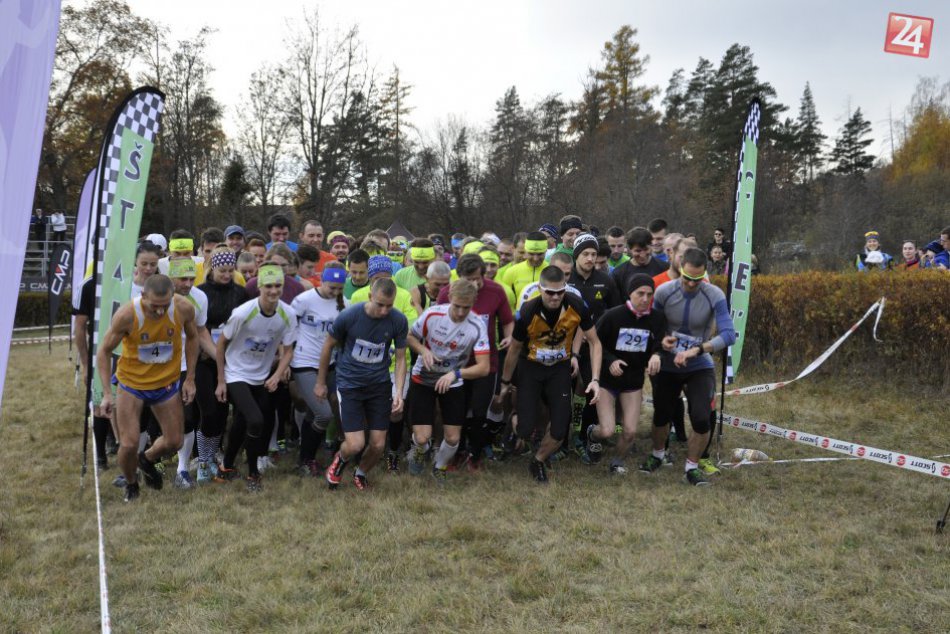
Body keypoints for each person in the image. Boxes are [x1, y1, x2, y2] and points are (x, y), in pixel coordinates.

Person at [96, 275, 199, 502]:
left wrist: (190, 378)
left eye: (165, 306)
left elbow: (193, 338)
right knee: (129, 443)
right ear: (143, 296)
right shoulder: (127, 315)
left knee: (175, 441)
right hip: (132, 385)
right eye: (155, 306)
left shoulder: (182, 308)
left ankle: (147, 459)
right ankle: (132, 484)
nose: (161, 312)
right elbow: (103, 351)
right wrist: (105, 393)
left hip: (166, 384)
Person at [640, 247, 736, 486]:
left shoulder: (714, 295)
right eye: (687, 278)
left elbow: (729, 335)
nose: (691, 284)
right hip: (668, 362)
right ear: (679, 270)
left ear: (704, 274)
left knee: (702, 418)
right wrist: (661, 342)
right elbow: (652, 325)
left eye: (697, 279)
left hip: (698, 364)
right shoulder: (663, 292)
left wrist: (698, 349)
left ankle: (692, 466)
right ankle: (658, 455)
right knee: (662, 414)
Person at [497, 265, 602, 483]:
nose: (555, 297)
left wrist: (595, 379)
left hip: (559, 369)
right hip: (531, 367)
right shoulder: (527, 311)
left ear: (565, 289)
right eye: (550, 292)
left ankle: (538, 460)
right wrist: (506, 381)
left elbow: (594, 342)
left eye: (560, 292)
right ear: (540, 289)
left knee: (559, 428)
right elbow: (514, 349)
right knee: (525, 429)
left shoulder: (576, 305)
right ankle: (513, 421)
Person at [316, 278, 409, 491]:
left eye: (389, 305)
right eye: (380, 304)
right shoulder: (350, 316)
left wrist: (399, 392)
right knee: (355, 444)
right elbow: (328, 345)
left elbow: (402, 358)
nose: (385, 310)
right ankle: (340, 460)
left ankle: (361, 473)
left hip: (379, 385)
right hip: (350, 384)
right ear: (370, 297)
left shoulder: (398, 320)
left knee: (377, 444)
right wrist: (321, 381)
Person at [214, 263, 297, 492]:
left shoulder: (287, 314)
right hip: (236, 373)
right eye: (268, 285)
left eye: (278, 286)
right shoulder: (244, 312)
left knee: (243, 422)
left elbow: (288, 350)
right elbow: (221, 345)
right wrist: (221, 380)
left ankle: (226, 467)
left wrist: (277, 375)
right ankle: (253, 473)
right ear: (259, 286)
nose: (273, 291)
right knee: (256, 420)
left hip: (261, 375)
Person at [405, 279, 491, 482]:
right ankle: (419, 451)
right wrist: (424, 350)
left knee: (453, 438)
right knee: (422, 437)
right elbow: (410, 337)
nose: (461, 312)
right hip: (423, 377)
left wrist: (456, 374)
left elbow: (484, 367)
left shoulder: (477, 325)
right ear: (450, 298)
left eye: (467, 307)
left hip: (453, 380)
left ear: (474, 302)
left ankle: (439, 467)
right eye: (458, 306)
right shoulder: (433, 314)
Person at [436, 254, 515, 469]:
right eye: (467, 280)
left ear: (484, 275)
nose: (472, 285)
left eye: (476, 280)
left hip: (485, 362)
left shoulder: (496, 291)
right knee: (457, 411)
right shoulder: (446, 293)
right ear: (458, 277)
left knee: (480, 410)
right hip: (455, 362)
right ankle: (457, 451)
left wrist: (509, 337)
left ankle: (476, 454)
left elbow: (508, 321)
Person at [589, 274, 666, 473]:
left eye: (649, 294)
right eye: (640, 293)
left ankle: (617, 461)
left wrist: (657, 355)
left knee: (630, 432)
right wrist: (610, 360)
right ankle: (593, 436)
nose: (645, 298)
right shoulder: (613, 315)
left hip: (633, 381)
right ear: (630, 293)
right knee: (607, 430)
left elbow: (660, 344)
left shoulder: (657, 318)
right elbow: (595, 344)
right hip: (607, 379)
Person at [195, 247, 247, 483]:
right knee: (210, 410)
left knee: (227, 409)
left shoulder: (241, 293)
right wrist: (217, 356)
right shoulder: (201, 293)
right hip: (206, 359)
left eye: (230, 270)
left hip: (234, 360)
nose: (226, 275)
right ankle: (203, 458)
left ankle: (217, 452)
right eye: (222, 271)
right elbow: (200, 330)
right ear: (211, 269)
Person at [290, 262, 347, 477]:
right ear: (322, 280)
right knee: (323, 415)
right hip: (304, 362)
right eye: (331, 287)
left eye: (339, 288)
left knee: (318, 412)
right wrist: (286, 360)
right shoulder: (304, 300)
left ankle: (305, 458)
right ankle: (307, 458)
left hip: (331, 364)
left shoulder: (345, 304)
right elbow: (289, 329)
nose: (335, 292)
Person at [167, 257, 216, 489]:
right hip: (157, 367)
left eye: (191, 279)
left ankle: (182, 468)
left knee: (189, 417)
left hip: (186, 364)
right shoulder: (157, 297)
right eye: (182, 279)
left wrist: (219, 358)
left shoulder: (199, 298)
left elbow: (200, 333)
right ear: (170, 279)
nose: (187, 284)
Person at [611, 226, 669, 295]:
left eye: (646, 249)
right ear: (630, 249)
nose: (642, 255)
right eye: (638, 251)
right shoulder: (619, 274)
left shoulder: (664, 268)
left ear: (651, 246)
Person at [500, 230, 549, 297]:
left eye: (540, 254)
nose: (535, 259)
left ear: (546, 251)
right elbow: (505, 301)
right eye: (531, 254)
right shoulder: (511, 272)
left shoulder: (552, 271)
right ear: (526, 251)